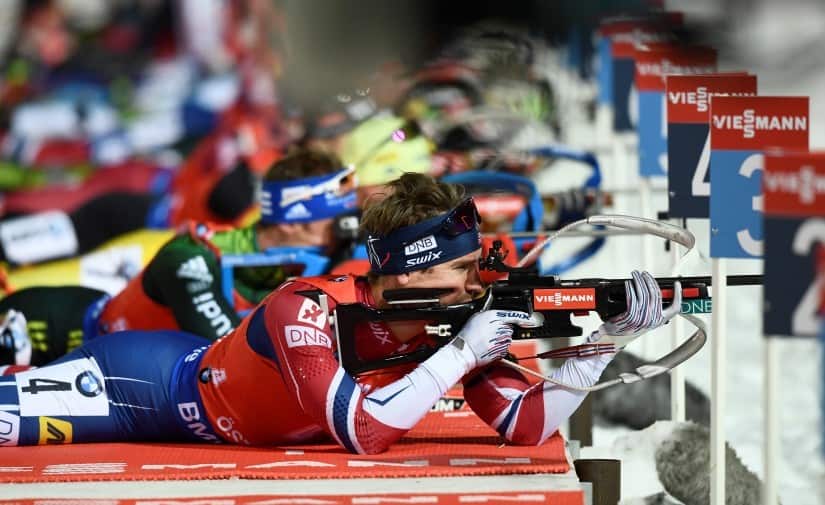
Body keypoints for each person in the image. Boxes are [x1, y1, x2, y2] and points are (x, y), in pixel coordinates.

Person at [0, 173, 680, 450]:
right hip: (137, 389)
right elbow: (363, 431)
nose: (477, 280)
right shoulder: (308, 305)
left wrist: (604, 343)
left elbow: (527, 423)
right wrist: (463, 352)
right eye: (463, 267)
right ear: (410, 267)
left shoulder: (453, 320)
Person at [0, 147, 357, 367]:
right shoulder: (193, 257)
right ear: (292, 222)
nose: (341, 236)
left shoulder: (298, 257)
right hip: (51, 331)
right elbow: (233, 355)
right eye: (333, 223)